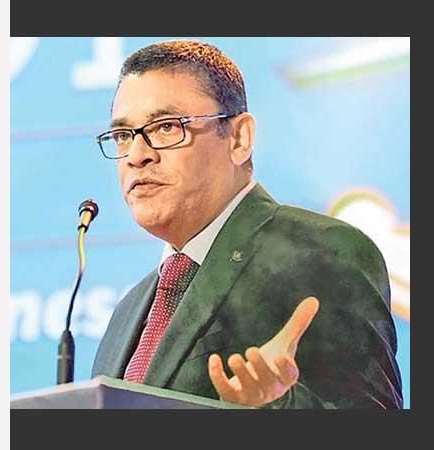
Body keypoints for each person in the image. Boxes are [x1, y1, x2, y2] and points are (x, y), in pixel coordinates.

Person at [90, 40, 402, 408]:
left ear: (239, 139)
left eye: (166, 127)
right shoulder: (128, 311)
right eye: (124, 136)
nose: (137, 156)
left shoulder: (323, 253)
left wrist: (275, 409)